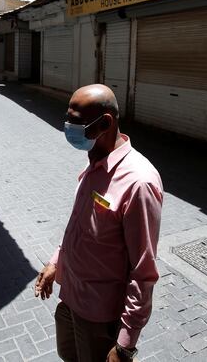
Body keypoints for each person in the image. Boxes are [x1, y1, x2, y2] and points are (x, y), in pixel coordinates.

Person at [34, 84, 163, 362]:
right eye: (68, 121)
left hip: (98, 317)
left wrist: (125, 345)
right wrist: (56, 262)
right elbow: (78, 227)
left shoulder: (139, 182)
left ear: (105, 122)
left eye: (77, 124)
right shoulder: (93, 163)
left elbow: (144, 272)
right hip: (69, 298)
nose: (69, 130)